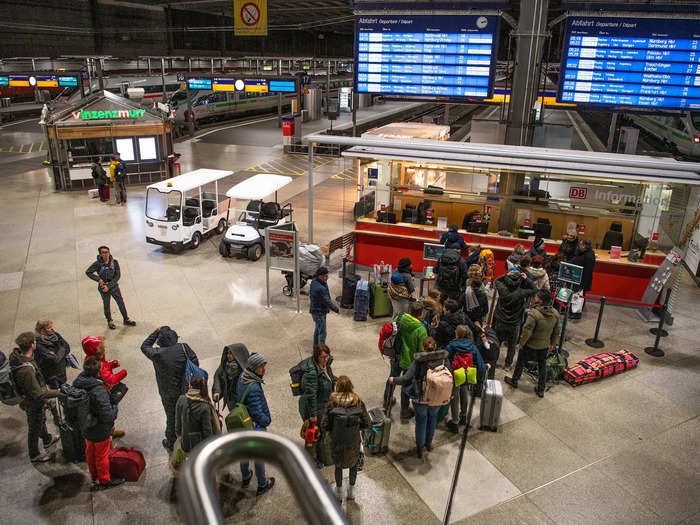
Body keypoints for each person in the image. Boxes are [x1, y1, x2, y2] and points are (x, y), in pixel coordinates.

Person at [141, 326, 199, 452]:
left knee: (171, 416)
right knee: (188, 412)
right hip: (186, 388)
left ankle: (171, 441)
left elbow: (144, 346)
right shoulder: (184, 347)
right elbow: (195, 362)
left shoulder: (157, 354)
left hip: (168, 393)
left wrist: (156, 332)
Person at [389, 337, 448, 458]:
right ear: (435, 346)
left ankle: (420, 448)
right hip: (436, 397)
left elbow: (406, 378)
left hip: (421, 397)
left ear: (423, 347)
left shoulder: (419, 361)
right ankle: (429, 443)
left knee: (421, 421)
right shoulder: (443, 360)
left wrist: (393, 379)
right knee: (433, 418)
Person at [73, 356, 124, 489]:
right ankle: (104, 480)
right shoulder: (98, 389)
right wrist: (114, 408)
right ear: (98, 371)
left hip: (86, 425)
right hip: (99, 427)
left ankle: (94, 476)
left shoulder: (78, 382)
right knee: (102, 455)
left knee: (90, 452)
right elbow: (107, 415)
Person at [10, 332, 59, 463]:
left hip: (33, 400)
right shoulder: (26, 371)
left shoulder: (19, 358)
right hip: (32, 402)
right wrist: (58, 392)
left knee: (40, 420)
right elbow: (37, 394)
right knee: (34, 426)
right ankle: (34, 454)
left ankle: (47, 439)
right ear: (32, 345)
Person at [321, 376, 370, 501]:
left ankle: (338, 491)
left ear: (337, 387)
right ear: (351, 387)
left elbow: (324, 424)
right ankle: (351, 491)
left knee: (338, 466)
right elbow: (367, 423)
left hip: (337, 441)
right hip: (353, 441)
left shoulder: (332, 403)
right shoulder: (357, 401)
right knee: (353, 465)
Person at [505, 290, 561, 398]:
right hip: (544, 346)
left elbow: (527, 331)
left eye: (536, 297)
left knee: (520, 362)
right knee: (542, 366)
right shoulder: (555, 314)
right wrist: (552, 344)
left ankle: (514, 380)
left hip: (530, 345)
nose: (535, 297)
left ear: (540, 300)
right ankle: (541, 389)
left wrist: (521, 343)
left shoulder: (534, 314)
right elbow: (556, 331)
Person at [237, 353, 275, 496]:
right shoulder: (253, 387)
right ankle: (262, 484)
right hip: (254, 426)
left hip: (243, 423)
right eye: (261, 367)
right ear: (254, 368)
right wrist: (266, 421)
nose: (264, 369)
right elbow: (257, 412)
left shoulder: (243, 377)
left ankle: (246, 476)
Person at [445, 325, 489, 433]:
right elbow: (480, 362)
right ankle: (463, 416)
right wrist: (485, 366)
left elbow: (445, 356)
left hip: (456, 373)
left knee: (454, 397)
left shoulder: (452, 345)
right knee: (464, 392)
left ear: (458, 334)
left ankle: (454, 422)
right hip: (467, 373)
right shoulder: (472, 346)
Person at [81, 335, 127, 438]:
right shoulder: (98, 365)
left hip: (102, 391)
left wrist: (111, 364)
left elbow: (105, 366)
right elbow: (110, 379)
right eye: (102, 347)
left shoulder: (92, 360)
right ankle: (108, 436)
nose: (104, 348)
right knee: (108, 415)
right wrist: (122, 373)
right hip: (105, 393)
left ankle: (111, 431)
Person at [298, 344, 337, 465]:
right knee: (313, 434)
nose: (325, 359)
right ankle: (312, 460)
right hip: (314, 407)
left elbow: (329, 378)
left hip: (323, 405)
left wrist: (337, 380)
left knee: (319, 433)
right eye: (322, 357)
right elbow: (311, 396)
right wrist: (313, 415)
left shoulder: (325, 366)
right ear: (316, 357)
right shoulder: (312, 373)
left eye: (327, 356)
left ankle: (319, 456)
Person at [390, 301, 428, 421]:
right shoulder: (421, 330)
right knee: (406, 385)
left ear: (410, 311)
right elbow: (422, 350)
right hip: (410, 361)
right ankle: (404, 410)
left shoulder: (399, 318)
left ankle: (387, 400)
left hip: (396, 355)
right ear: (421, 314)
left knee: (392, 378)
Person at [493, 269, 537, 369]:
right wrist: (527, 280)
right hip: (514, 323)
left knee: (497, 342)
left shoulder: (502, 289)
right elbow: (535, 290)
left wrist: (505, 275)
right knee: (512, 345)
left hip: (501, 320)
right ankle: (508, 364)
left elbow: (496, 281)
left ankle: (494, 360)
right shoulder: (521, 292)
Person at [85, 246, 136, 330]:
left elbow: (117, 276)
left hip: (113, 287)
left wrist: (109, 286)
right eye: (103, 252)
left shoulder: (114, 262)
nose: (105, 254)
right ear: (100, 254)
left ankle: (126, 319)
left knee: (121, 303)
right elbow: (88, 272)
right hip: (103, 288)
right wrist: (98, 279)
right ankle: (109, 321)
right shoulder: (97, 264)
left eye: (107, 252)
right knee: (106, 305)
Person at [175, 375, 222, 455]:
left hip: (185, 443)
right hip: (200, 446)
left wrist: (180, 436)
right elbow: (207, 432)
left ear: (190, 387)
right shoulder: (204, 406)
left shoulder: (181, 399)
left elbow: (178, 424)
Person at [309, 267, 339, 347]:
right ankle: (321, 351)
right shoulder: (320, 288)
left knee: (317, 330)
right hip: (319, 312)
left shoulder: (315, 281)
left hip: (315, 310)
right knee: (322, 333)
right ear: (320, 276)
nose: (327, 277)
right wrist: (336, 309)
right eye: (326, 276)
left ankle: (315, 347)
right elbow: (327, 301)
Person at [212, 344, 248, 411]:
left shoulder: (244, 367)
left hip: (243, 401)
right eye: (227, 353)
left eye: (231, 353)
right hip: (230, 400)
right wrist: (217, 391)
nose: (228, 356)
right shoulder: (225, 365)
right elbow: (217, 376)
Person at [569, 239, 596, 318]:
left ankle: (576, 313)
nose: (579, 246)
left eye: (580, 245)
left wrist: (582, 284)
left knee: (579, 297)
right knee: (576, 296)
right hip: (578, 279)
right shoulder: (583, 253)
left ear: (584, 246)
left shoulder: (589, 256)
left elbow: (587, 272)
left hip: (582, 280)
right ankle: (573, 311)